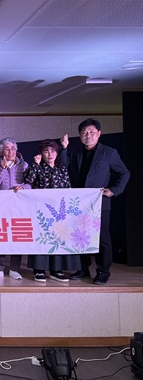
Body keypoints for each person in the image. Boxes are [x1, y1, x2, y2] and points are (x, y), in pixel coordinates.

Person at [61, 118, 130, 285]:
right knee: (79, 237)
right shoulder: (75, 153)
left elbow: (124, 173)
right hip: (78, 203)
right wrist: (64, 148)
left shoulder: (109, 152)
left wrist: (113, 190)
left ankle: (103, 271)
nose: (88, 135)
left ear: (99, 134)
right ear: (80, 135)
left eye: (91, 132)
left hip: (100, 202)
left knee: (102, 238)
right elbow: (62, 167)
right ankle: (83, 269)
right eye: (84, 132)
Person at [24, 139, 81, 282]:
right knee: (42, 239)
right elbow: (29, 180)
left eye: (52, 151)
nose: (50, 154)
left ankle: (56, 270)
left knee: (57, 239)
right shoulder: (38, 167)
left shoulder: (62, 168)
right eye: (46, 151)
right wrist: (35, 165)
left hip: (59, 212)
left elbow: (68, 187)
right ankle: (39, 270)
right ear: (41, 153)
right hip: (41, 211)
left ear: (57, 153)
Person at [0, 137, 30, 281]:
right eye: (7, 149)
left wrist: (24, 187)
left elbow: (30, 183)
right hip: (1, 206)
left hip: (19, 206)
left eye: (13, 148)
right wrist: (2, 168)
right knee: (0, 236)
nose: (11, 151)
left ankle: (14, 269)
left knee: (17, 236)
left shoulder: (24, 165)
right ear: (1, 152)